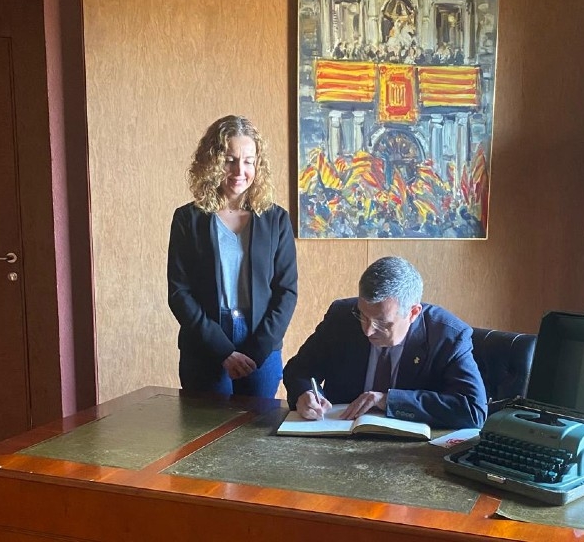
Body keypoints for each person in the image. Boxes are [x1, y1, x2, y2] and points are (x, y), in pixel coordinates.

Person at [168, 115, 298, 397]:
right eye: (229, 160)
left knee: (256, 437)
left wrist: (256, 350)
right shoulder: (187, 219)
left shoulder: (276, 220)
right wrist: (223, 350)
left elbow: (286, 292)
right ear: (212, 162)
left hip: (262, 344)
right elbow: (179, 293)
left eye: (249, 160)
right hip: (205, 344)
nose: (240, 170)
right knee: (206, 437)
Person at [283, 256, 487, 429]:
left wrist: (388, 400)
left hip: (411, 454)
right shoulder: (342, 317)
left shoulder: (447, 336)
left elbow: (472, 410)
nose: (368, 330)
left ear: (413, 313)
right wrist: (305, 393)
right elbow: (298, 370)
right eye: (362, 315)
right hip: (338, 439)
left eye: (382, 322)